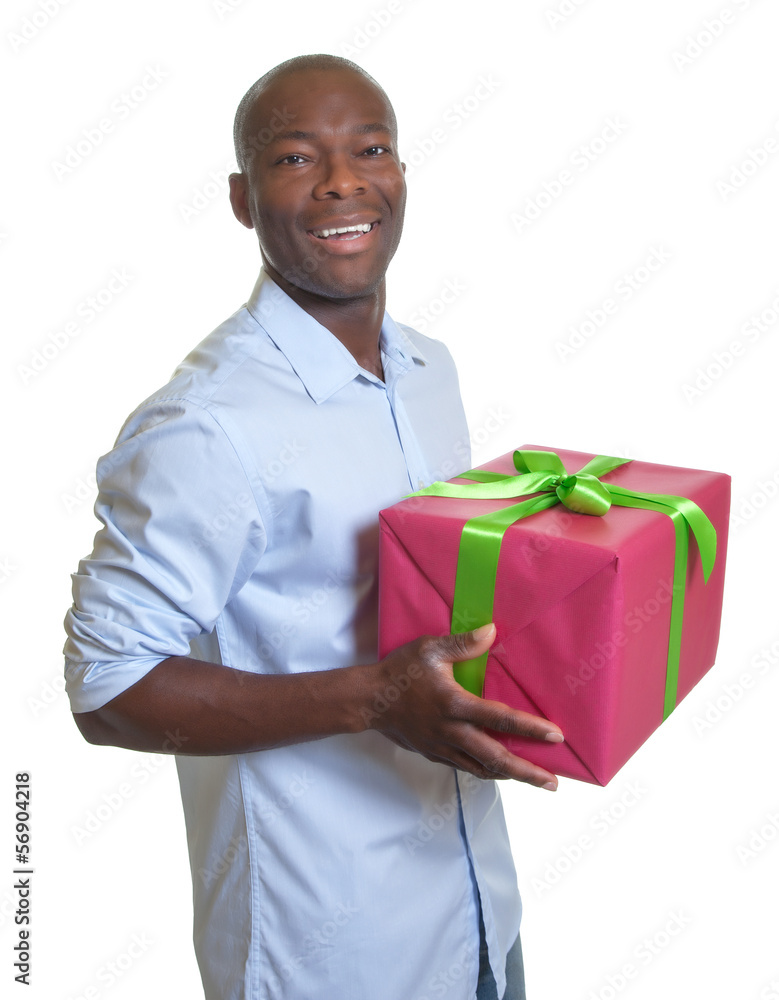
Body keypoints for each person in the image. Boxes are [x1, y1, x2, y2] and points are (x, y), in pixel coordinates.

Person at [63, 53, 563, 1000]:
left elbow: (433, 607)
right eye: (296, 158)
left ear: (400, 175)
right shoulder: (205, 423)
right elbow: (106, 687)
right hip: (330, 955)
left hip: (481, 922)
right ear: (243, 200)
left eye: (369, 148)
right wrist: (375, 699)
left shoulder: (428, 369)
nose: (343, 179)